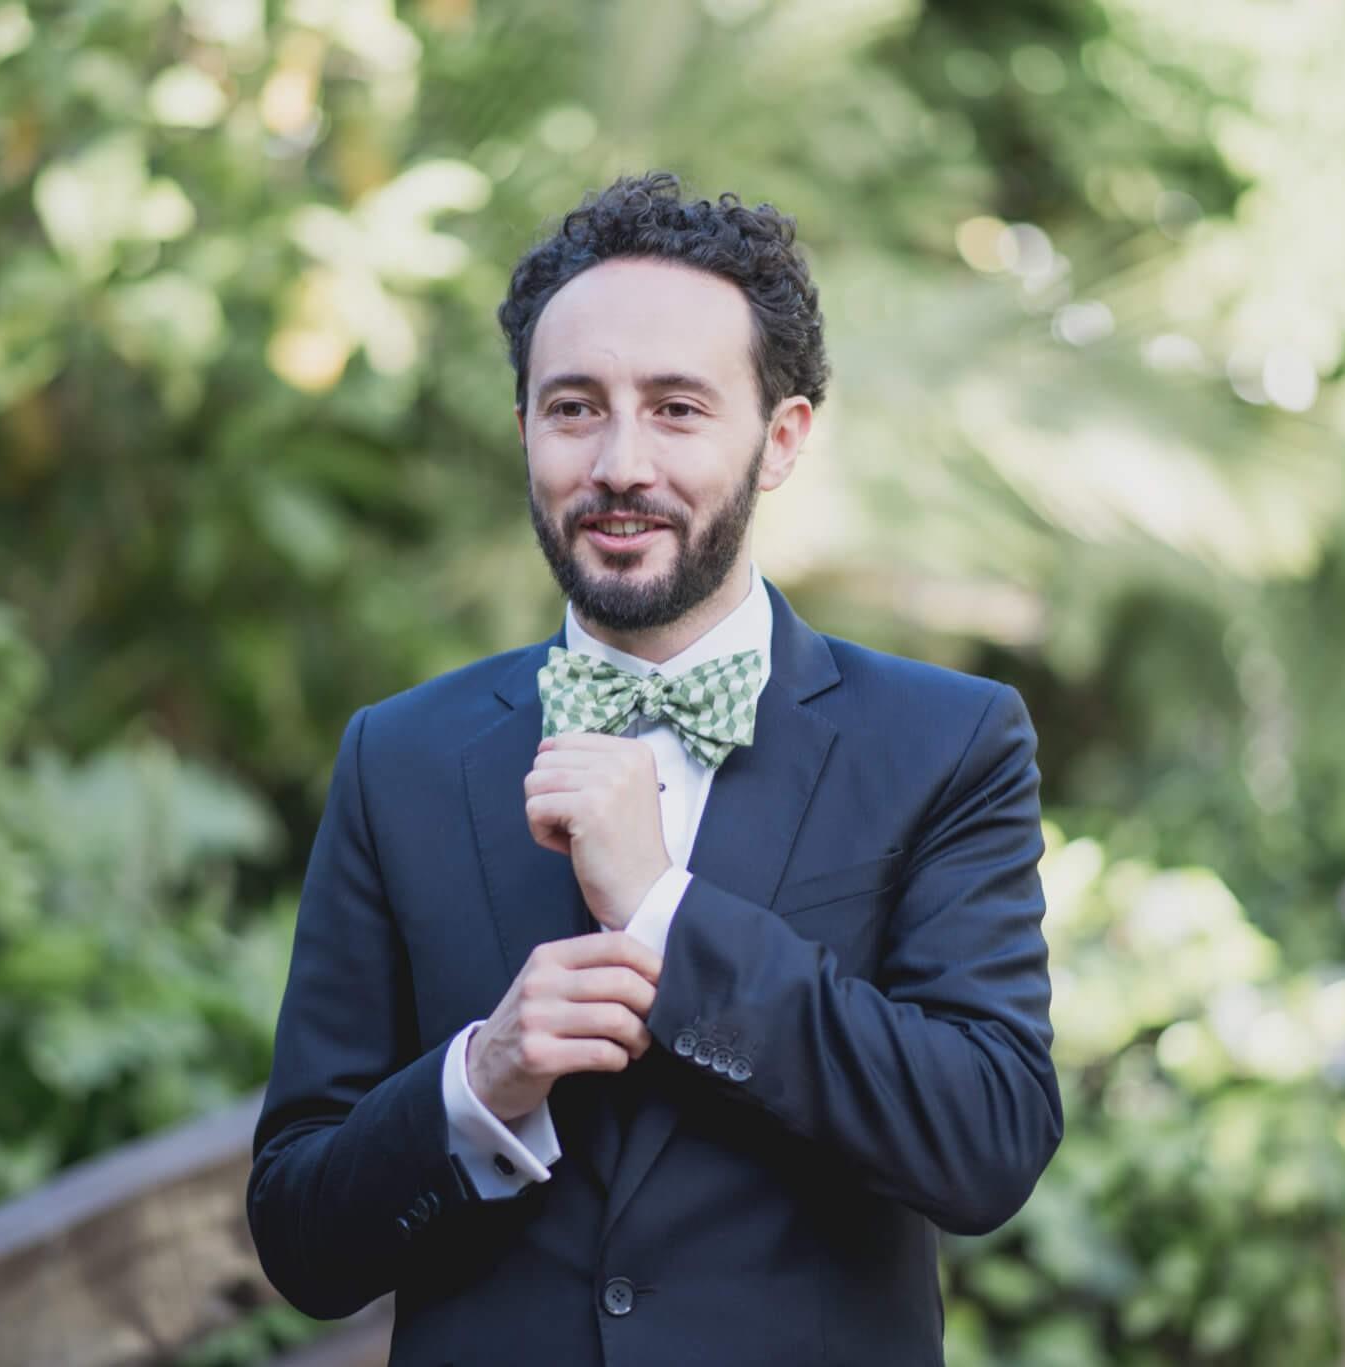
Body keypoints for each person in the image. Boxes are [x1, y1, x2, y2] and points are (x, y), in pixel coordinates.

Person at [246, 171, 1062, 1366]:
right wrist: (479, 1079)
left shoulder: (947, 740)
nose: (619, 462)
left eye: (677, 408)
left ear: (780, 438)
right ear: (523, 428)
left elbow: (984, 1142)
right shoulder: (398, 756)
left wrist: (665, 916)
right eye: (574, 407)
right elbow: (301, 1238)